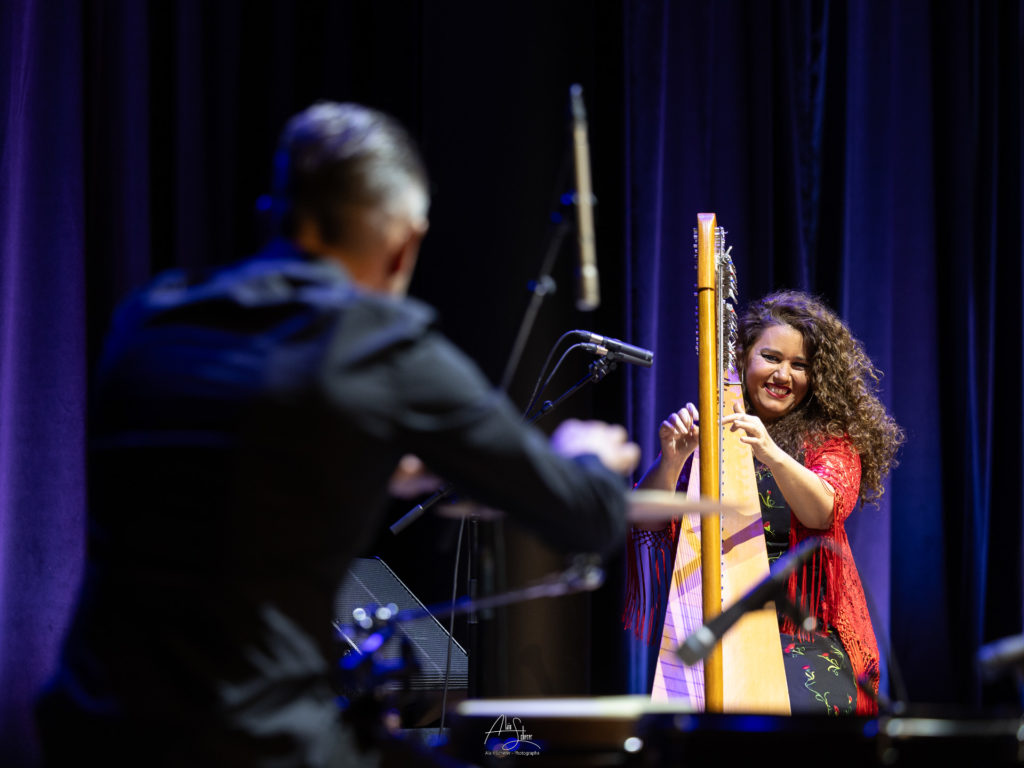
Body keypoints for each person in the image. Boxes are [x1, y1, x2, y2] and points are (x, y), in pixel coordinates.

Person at [36, 101, 640, 767]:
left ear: (275, 211)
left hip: (92, 727)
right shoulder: (379, 345)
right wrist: (585, 456)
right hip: (254, 740)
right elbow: (588, 517)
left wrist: (369, 467)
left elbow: (225, 479)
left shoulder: (149, 318)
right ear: (405, 244)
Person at [626, 290, 903, 715]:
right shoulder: (713, 437)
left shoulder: (830, 441)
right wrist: (672, 458)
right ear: (742, 357)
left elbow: (823, 512)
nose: (783, 375)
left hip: (806, 633)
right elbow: (645, 517)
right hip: (720, 627)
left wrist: (770, 452)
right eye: (771, 358)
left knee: (786, 716)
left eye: (799, 365)